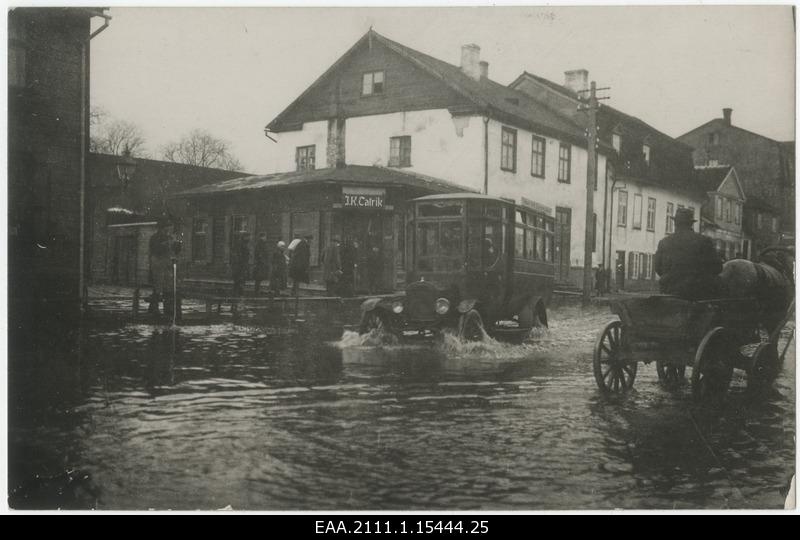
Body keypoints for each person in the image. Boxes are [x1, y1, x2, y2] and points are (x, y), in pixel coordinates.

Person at [654, 207, 723, 300]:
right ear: (691, 224)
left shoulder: (664, 242)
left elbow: (658, 268)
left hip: (670, 291)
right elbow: (717, 267)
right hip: (698, 293)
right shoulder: (704, 241)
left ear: (675, 223)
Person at [148, 219, 173, 315]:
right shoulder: (155, 238)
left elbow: (174, 250)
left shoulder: (168, 237)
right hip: (158, 263)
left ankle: (167, 309)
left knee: (167, 287)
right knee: (158, 287)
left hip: (166, 264)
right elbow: (155, 250)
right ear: (162, 228)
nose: (169, 229)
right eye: (167, 227)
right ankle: (154, 308)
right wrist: (165, 245)